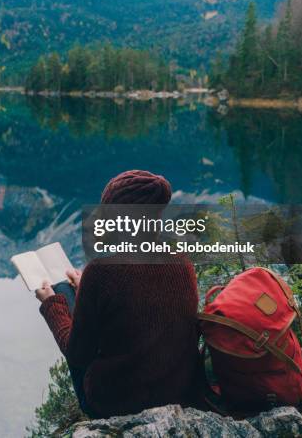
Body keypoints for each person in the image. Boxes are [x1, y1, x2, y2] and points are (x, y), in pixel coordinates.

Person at [36, 170, 201, 418]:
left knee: (60, 292)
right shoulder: (182, 263)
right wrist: (86, 288)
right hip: (177, 392)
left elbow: (77, 355)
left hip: (119, 403)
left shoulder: (101, 273)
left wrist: (51, 305)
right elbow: (139, 302)